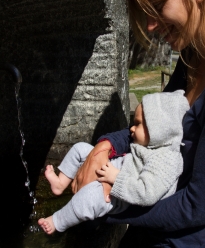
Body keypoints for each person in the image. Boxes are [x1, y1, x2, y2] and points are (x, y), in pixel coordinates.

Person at [71, 0, 205, 247]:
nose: (151, 25)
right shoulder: (193, 53)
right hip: (153, 229)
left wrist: (101, 204)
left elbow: (197, 206)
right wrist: (105, 147)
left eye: (157, 4)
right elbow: (154, 126)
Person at [38, 91, 189, 234]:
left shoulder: (167, 160)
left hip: (118, 196)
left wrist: (116, 178)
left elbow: (146, 192)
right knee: (81, 149)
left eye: (137, 124)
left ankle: (57, 222)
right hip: (115, 168)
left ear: (158, 130)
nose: (131, 128)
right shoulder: (151, 144)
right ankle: (60, 183)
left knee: (90, 197)